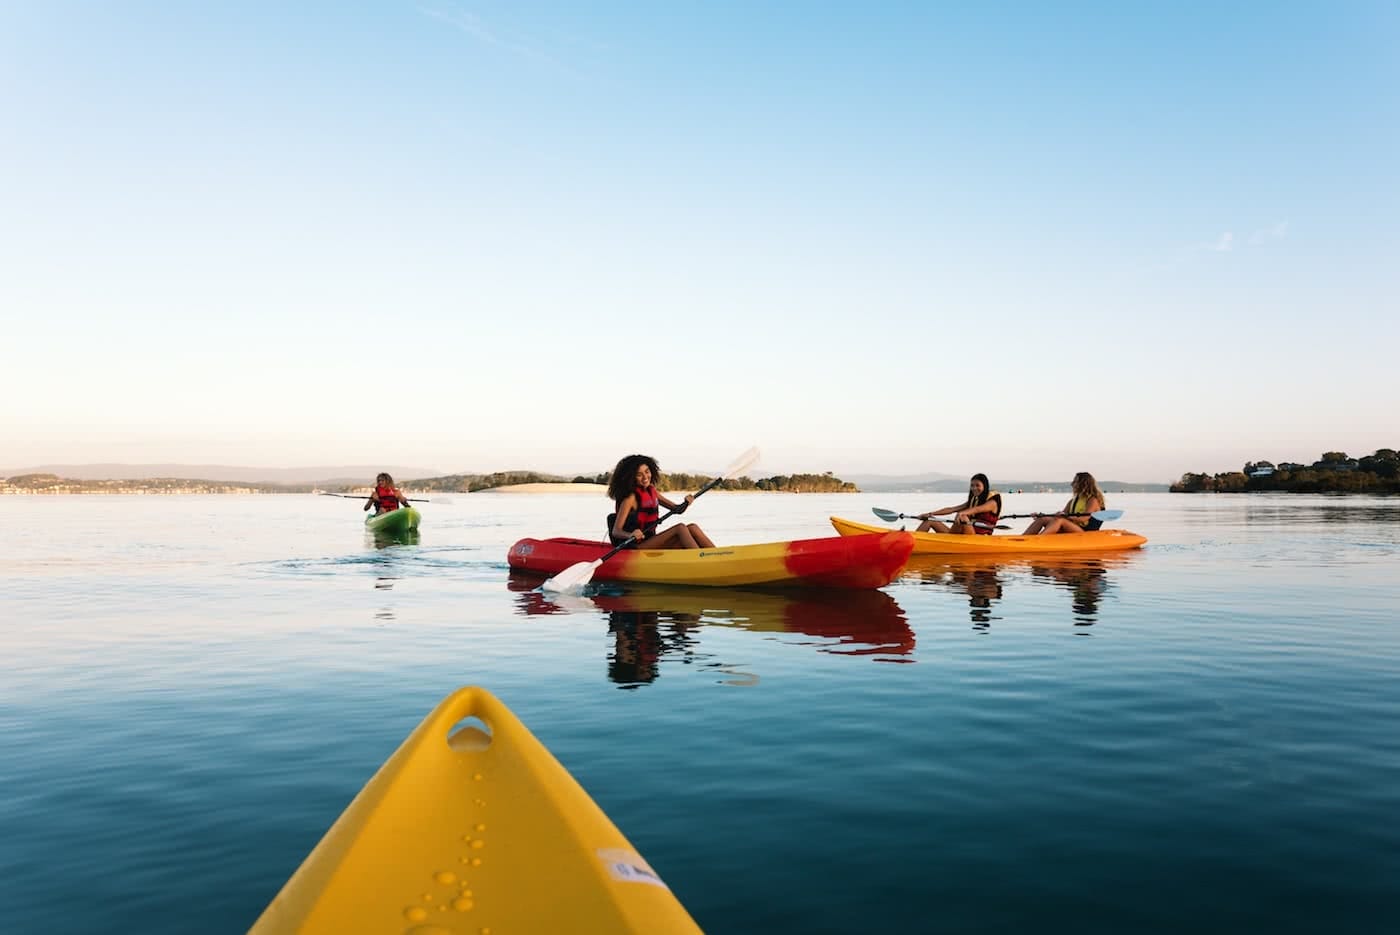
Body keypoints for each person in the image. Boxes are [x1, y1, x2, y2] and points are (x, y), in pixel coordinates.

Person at [606, 454, 715, 549]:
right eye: (639, 475)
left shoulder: (651, 491)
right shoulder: (630, 498)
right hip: (637, 545)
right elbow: (616, 531)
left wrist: (687, 502)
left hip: (651, 540)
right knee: (680, 528)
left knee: (692, 528)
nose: (645, 477)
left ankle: (717, 555)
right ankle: (700, 559)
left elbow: (677, 509)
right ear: (631, 477)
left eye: (647, 472)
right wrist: (630, 535)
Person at [915, 473, 1002, 535]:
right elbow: (951, 509)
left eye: (977, 485)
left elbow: (978, 509)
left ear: (984, 486)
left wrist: (962, 513)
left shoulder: (993, 502)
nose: (974, 488)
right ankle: (913, 541)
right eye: (972, 485)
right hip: (964, 533)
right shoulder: (974, 501)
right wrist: (930, 514)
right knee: (930, 520)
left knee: (962, 517)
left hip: (978, 536)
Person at [1022, 471, 1106, 535]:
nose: (1072, 484)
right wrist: (1042, 515)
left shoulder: (1093, 500)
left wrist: (1065, 516)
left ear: (1083, 484)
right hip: (1073, 527)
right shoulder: (1073, 501)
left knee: (1060, 520)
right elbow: (1061, 515)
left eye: (1075, 481)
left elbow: (1084, 518)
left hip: (1085, 531)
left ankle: (1039, 540)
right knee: (1042, 519)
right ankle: (1023, 538)